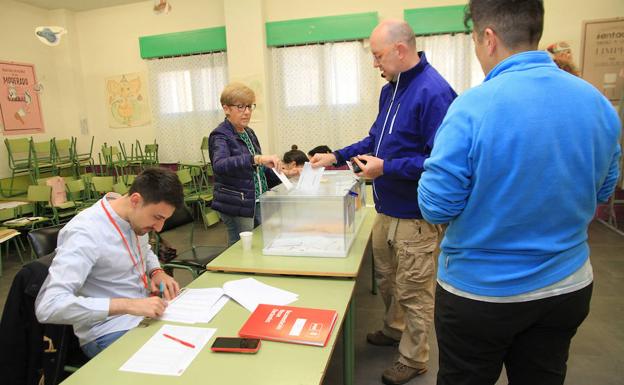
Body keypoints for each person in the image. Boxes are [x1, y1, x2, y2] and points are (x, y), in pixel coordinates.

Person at [417, 1, 621, 384]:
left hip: (481, 295)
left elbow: (436, 206)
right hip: (566, 286)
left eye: (475, 41)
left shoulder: (472, 107)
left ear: (488, 38)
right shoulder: (595, 102)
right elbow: (604, 189)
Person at [310, 19, 456, 385]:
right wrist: (335, 156)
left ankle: (415, 356)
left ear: (400, 50)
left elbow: (441, 161)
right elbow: (375, 139)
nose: (375, 64)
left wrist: (387, 168)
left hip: (416, 214)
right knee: (389, 280)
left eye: (377, 56)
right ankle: (394, 329)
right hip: (386, 207)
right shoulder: (390, 89)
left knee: (415, 289)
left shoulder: (434, 92)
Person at [35, 167, 185, 358]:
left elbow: (144, 250)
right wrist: (129, 305)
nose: (159, 227)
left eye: (164, 219)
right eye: (157, 217)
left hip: (143, 315)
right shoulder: (86, 233)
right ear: (135, 200)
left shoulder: (131, 216)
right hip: (108, 330)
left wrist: (156, 271)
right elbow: (49, 307)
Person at [209, 83, 281, 246]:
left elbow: (258, 169)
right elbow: (219, 164)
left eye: (249, 106)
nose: (247, 112)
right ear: (226, 109)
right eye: (241, 107)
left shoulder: (249, 132)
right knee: (241, 247)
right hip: (236, 201)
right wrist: (255, 159)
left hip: (254, 199)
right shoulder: (220, 135)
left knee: (258, 243)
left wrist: (283, 173)